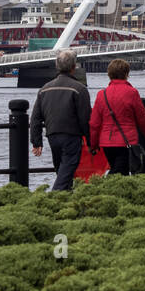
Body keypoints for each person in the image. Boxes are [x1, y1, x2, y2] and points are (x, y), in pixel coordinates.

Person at [29, 49, 92, 191]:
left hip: (52, 136)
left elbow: (36, 118)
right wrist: (90, 141)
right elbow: (85, 118)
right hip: (71, 136)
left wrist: (36, 141)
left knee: (62, 171)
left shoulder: (44, 89)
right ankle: (54, 198)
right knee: (66, 172)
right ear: (73, 67)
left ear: (57, 66)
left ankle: (64, 201)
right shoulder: (79, 89)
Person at [89, 58, 145, 175]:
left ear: (109, 74)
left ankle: (111, 190)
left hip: (106, 142)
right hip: (126, 141)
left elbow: (95, 123)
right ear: (126, 73)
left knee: (118, 169)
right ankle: (105, 188)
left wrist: (93, 144)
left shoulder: (102, 94)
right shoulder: (131, 92)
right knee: (119, 172)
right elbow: (142, 119)